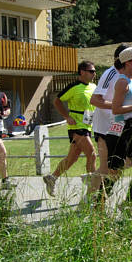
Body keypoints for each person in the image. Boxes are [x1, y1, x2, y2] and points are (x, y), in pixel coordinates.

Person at [103, 47, 132, 207]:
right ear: (128, 62)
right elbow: (116, 109)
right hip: (120, 132)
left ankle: (128, 203)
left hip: (130, 130)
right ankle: (98, 206)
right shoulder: (122, 82)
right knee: (113, 174)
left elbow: (125, 105)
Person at [43, 61, 97, 197]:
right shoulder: (74, 87)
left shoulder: (94, 87)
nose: (94, 74)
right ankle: (93, 185)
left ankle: (52, 178)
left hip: (87, 125)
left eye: (94, 71)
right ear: (82, 72)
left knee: (72, 158)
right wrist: (66, 116)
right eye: (91, 71)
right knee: (92, 153)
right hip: (76, 126)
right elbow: (57, 101)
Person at [86, 43, 131, 202]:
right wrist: (118, 107)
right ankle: (93, 197)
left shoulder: (129, 76)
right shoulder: (110, 74)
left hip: (119, 126)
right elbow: (95, 100)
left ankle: (95, 181)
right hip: (104, 126)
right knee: (108, 167)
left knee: (128, 161)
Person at [0, 74, 13, 189]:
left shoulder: (2, 95)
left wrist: (6, 112)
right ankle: (5, 181)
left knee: (1, 155)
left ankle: (4, 181)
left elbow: (7, 107)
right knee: (2, 151)